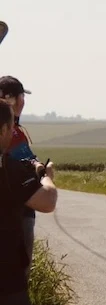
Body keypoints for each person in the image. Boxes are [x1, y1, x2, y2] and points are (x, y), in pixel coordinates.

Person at [0, 99, 58, 305]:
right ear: (3, 130)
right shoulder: (8, 169)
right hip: (7, 282)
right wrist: (46, 177)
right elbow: (46, 201)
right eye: (11, 128)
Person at [0, 76, 43, 269]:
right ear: (16, 100)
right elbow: (26, 164)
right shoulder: (12, 131)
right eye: (21, 97)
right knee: (19, 268)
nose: (23, 102)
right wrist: (40, 168)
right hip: (18, 209)